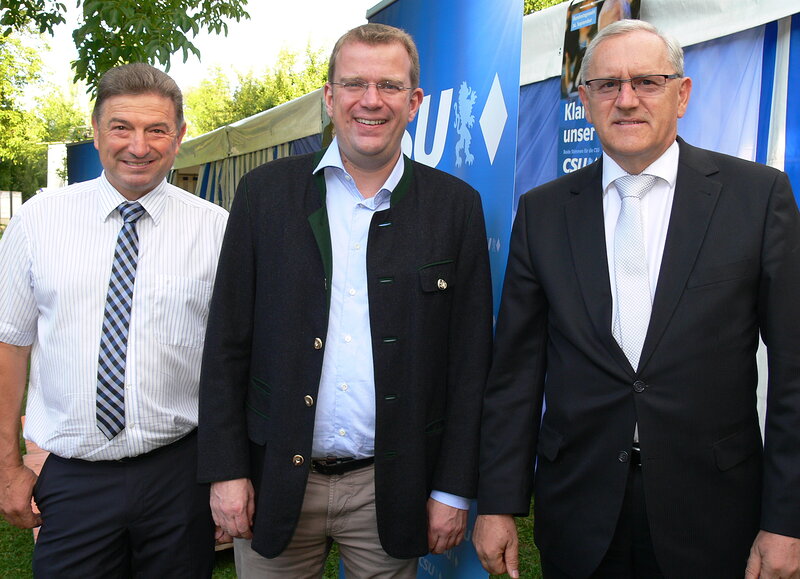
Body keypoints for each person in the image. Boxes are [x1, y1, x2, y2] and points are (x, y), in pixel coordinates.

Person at [474, 19, 800, 579]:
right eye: (607, 85)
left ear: (683, 94)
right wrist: (499, 503)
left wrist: (788, 521)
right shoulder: (543, 212)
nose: (626, 100)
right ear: (585, 99)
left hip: (714, 511)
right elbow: (516, 373)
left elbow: (796, 370)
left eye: (647, 81)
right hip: (578, 509)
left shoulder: (756, 197)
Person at [197, 23, 493, 578]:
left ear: (415, 101)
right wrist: (226, 471)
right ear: (330, 98)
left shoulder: (456, 207)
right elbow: (226, 344)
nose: (371, 101)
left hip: (391, 485)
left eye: (389, 85)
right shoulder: (264, 195)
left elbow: (470, 364)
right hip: (273, 482)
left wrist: (453, 489)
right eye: (354, 84)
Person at [0, 63, 228, 577]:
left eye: (157, 130)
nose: (139, 146)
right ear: (97, 129)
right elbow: (8, 346)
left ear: (180, 136)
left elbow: (232, 360)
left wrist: (228, 474)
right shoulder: (39, 220)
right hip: (72, 478)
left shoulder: (217, 230)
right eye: (122, 127)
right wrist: (7, 466)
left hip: (180, 474)